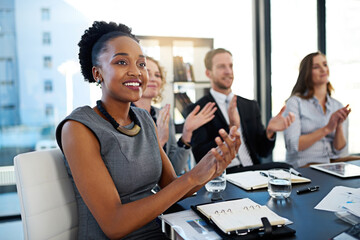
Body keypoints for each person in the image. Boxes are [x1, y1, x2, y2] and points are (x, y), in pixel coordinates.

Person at [55, 21, 240, 239]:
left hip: (161, 230)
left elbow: (171, 186)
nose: (136, 72)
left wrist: (210, 168)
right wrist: (191, 178)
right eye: (122, 62)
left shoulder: (143, 119)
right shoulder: (78, 128)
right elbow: (114, 224)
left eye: (141, 64)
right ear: (97, 73)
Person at [186, 48, 295, 173]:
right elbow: (201, 156)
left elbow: (263, 151)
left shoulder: (249, 106)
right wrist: (231, 128)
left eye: (230, 66)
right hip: (223, 173)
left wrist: (270, 131)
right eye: (221, 67)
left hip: (252, 169)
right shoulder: (198, 110)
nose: (228, 71)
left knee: (286, 169)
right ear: (208, 73)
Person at [133, 57, 217, 175]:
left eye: (158, 75)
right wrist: (160, 141)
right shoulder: (125, 116)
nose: (154, 79)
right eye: (147, 73)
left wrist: (187, 132)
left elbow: (175, 169)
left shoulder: (163, 115)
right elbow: (135, 172)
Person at [283, 51, 351, 168]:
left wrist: (338, 126)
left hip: (334, 164)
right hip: (306, 166)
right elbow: (293, 145)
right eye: (316, 67)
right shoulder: (295, 103)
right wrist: (327, 129)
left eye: (325, 64)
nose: (323, 70)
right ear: (307, 73)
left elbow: (340, 151)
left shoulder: (338, 106)